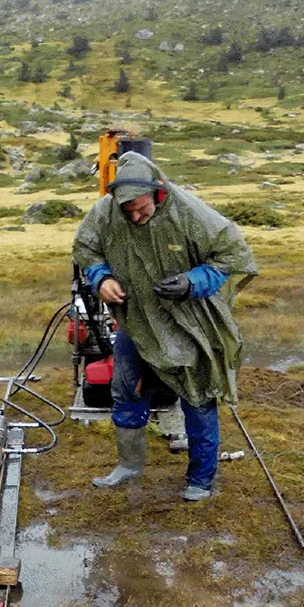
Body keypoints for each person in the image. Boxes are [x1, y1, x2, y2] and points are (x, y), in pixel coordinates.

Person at [73, 150, 258, 501]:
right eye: (128, 212)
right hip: (137, 322)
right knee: (127, 392)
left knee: (198, 396)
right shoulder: (105, 211)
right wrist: (100, 277)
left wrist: (193, 281)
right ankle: (129, 466)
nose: (137, 216)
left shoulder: (190, 212)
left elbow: (233, 256)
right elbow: (86, 249)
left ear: (157, 190)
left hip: (188, 324)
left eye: (142, 207)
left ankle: (201, 479)